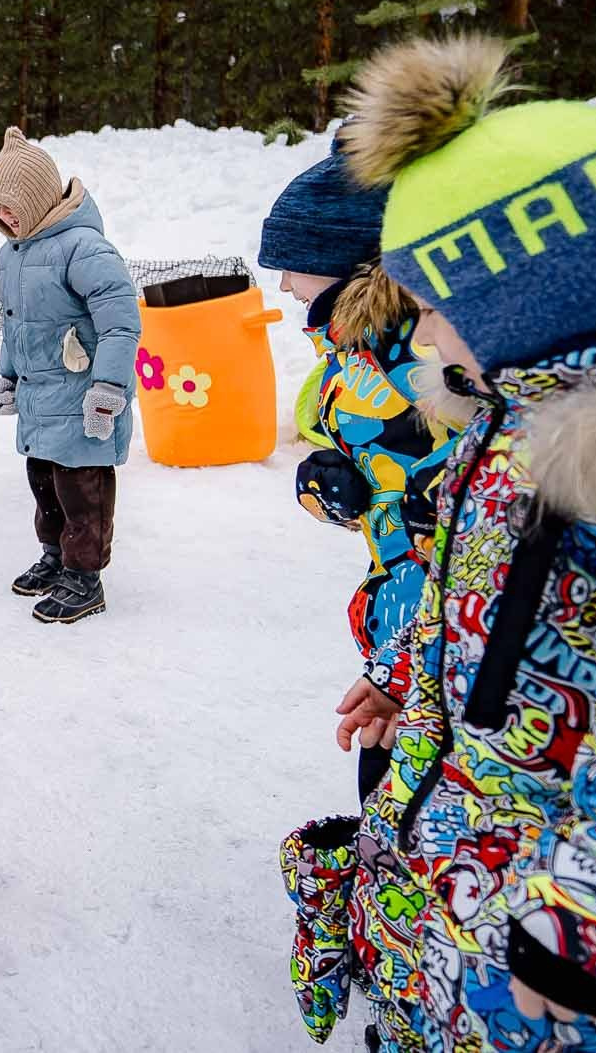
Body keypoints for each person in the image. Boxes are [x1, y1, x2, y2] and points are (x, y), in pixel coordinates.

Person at [328, 34, 596, 1053]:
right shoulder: (507, 415)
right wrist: (410, 675)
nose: (425, 339)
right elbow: (473, 588)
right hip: (458, 867)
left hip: (557, 957)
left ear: (539, 295)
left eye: (436, 306)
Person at [258, 143, 453, 805]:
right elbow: (368, 448)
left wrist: (437, 485)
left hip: (446, 612)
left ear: (345, 262)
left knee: (416, 784)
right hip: (395, 604)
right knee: (386, 782)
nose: (284, 284)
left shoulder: (430, 350)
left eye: (293, 266)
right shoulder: (347, 350)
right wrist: (334, 483)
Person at [0, 126, 140, 624]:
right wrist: (7, 374)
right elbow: (14, 325)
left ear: (39, 200)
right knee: (43, 482)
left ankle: (85, 577)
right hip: (39, 398)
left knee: (81, 487)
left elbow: (120, 322)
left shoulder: (83, 247)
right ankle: (55, 557)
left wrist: (109, 390)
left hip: (82, 396)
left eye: (13, 207)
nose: (6, 218)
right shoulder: (10, 256)